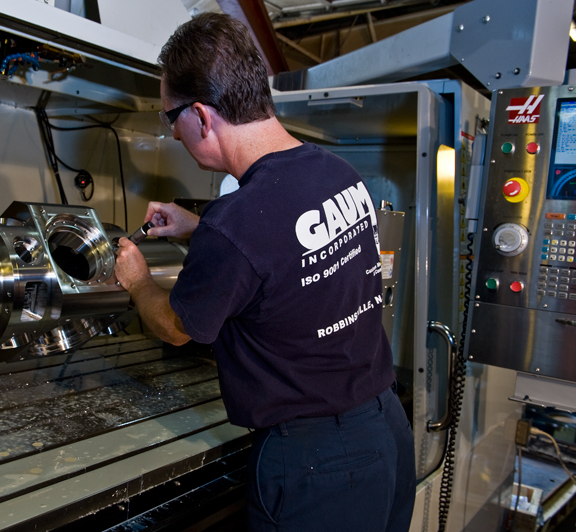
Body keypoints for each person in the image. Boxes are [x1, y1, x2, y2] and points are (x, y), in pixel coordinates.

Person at [114, 12, 415, 532]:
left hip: (316, 463)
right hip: (385, 429)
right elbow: (284, 241)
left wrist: (139, 281)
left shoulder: (236, 226)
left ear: (203, 117)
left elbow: (175, 329)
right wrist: (197, 225)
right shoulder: (335, 171)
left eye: (171, 119)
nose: (174, 132)